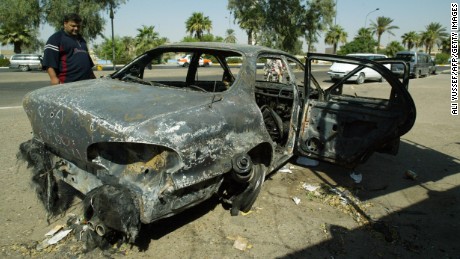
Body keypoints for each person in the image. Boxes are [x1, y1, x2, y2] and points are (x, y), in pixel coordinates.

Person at [42, 13, 96, 85]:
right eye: (73, 26)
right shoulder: (56, 38)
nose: (76, 28)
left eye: (78, 26)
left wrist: (93, 78)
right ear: (65, 24)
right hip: (68, 84)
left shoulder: (82, 40)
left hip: (86, 83)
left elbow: (87, 63)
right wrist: (54, 79)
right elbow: (49, 62)